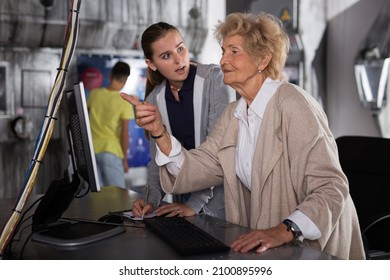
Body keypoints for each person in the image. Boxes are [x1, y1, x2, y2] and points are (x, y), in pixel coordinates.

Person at [121, 12, 366, 260]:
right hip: (275, 248)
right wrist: (159, 132)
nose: (223, 59)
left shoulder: (293, 103)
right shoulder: (234, 114)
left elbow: (331, 187)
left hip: (318, 250)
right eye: (223, 50)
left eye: (233, 51)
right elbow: (199, 167)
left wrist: (285, 229)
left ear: (262, 59)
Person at [130, 22, 235, 219]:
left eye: (180, 48)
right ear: (151, 64)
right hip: (183, 208)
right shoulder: (155, 99)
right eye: (166, 56)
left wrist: (194, 205)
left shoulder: (215, 80)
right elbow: (157, 164)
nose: (179, 60)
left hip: (222, 207)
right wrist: (150, 201)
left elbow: (218, 154)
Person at [87, 61, 133, 189]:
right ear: (125, 81)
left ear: (111, 75)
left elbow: (83, 118)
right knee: (118, 197)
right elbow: (124, 134)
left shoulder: (94, 94)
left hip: (91, 150)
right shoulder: (124, 101)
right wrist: (124, 159)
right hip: (111, 151)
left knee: (97, 196)